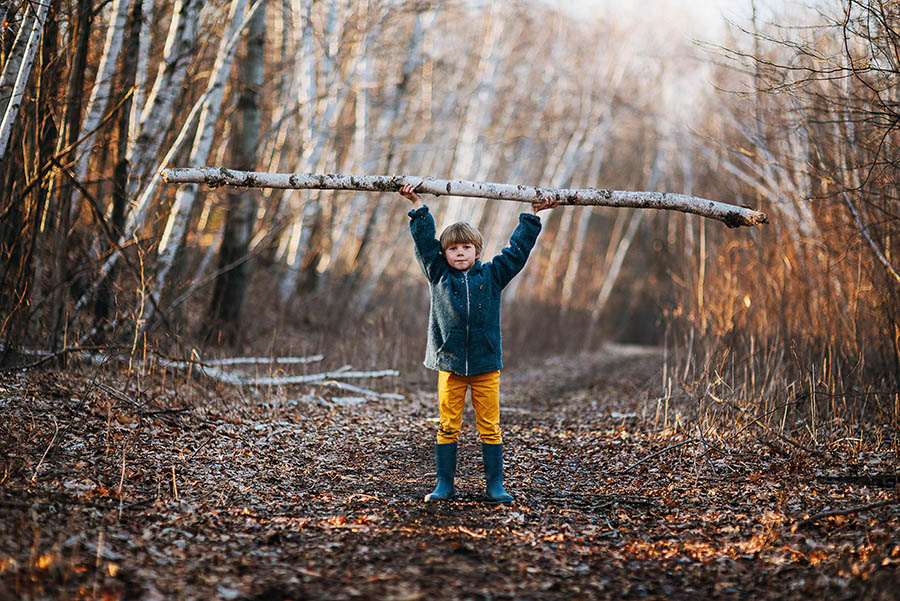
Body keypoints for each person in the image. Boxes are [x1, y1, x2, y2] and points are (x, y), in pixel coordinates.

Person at [399, 183, 557, 503]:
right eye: (453, 249)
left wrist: (532, 215)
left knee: (490, 426)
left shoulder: (493, 276)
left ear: (477, 251)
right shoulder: (438, 275)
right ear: (444, 255)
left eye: (466, 248)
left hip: (486, 365)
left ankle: (494, 486)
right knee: (447, 425)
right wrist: (417, 205)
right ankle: (445, 484)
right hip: (450, 364)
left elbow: (517, 252)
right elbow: (424, 244)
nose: (459, 253)